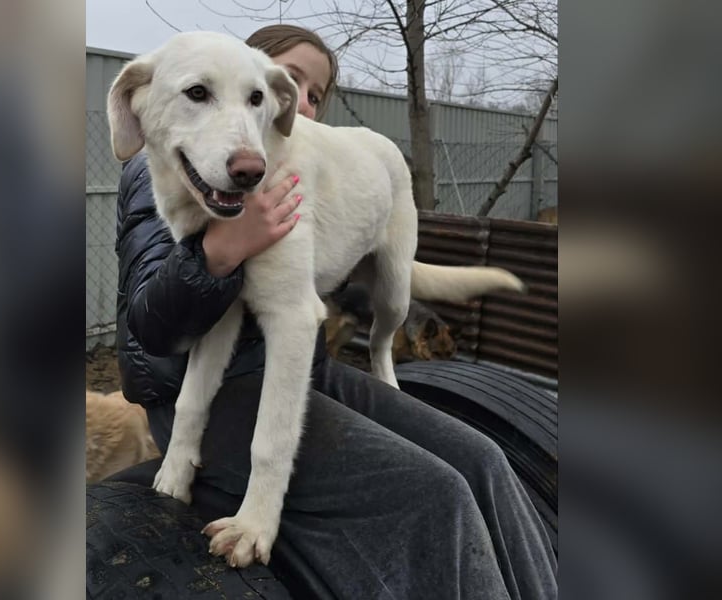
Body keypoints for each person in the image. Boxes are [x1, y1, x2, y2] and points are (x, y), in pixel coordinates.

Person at [115, 24, 557, 600]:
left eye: (311, 95)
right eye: (291, 81)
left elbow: (294, 312)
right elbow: (153, 334)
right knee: (439, 494)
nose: (299, 103)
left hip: (300, 373)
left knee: (486, 459)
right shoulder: (171, 170)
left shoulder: (287, 168)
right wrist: (221, 251)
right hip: (216, 394)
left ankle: (382, 353)